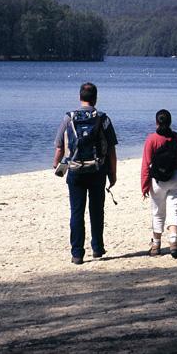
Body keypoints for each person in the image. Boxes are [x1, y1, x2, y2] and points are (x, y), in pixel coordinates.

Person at [53, 82, 118, 265]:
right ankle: (97, 248)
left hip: (75, 170)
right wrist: (113, 174)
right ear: (95, 98)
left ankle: (77, 253)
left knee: (76, 212)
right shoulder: (103, 118)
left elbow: (59, 146)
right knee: (97, 210)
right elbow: (111, 149)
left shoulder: (69, 118)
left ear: (80, 97)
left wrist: (56, 165)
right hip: (98, 170)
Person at [141, 109, 177, 258]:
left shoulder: (151, 139)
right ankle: (173, 242)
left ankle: (156, 245)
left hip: (158, 180)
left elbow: (146, 165)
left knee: (158, 211)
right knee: (174, 209)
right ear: (170, 122)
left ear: (156, 122)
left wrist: (144, 186)